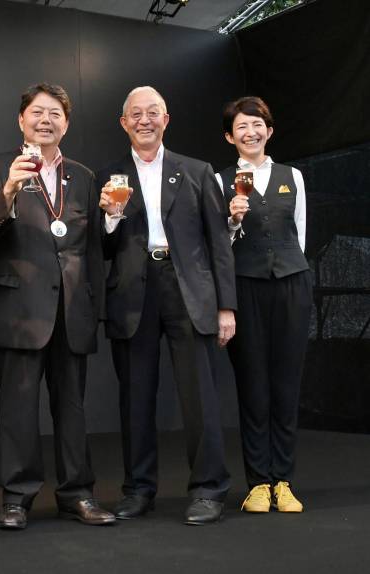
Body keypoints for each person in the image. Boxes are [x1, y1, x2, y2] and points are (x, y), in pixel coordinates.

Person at [0, 83, 113, 530]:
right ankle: (17, 498)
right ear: (21, 120)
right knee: (17, 408)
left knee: (71, 407)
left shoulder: (84, 176)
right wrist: (11, 188)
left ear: (66, 124)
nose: (46, 120)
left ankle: (78, 493)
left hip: (71, 310)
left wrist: (95, 307)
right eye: (37, 112)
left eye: (55, 114)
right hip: (17, 307)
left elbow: (92, 249)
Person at [97, 86, 237, 525]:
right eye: (135, 114)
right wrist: (111, 217)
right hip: (133, 292)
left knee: (200, 398)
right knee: (136, 397)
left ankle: (209, 489)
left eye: (152, 112)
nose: (144, 120)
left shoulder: (198, 171)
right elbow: (101, 246)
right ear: (123, 123)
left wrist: (226, 307)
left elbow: (219, 243)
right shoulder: (110, 175)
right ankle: (138, 489)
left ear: (166, 119)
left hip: (188, 289)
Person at [216, 96, 310, 514]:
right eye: (241, 127)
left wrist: (291, 270)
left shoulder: (293, 176)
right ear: (229, 136)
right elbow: (220, 246)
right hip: (246, 288)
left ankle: (283, 480)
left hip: (291, 285)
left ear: (268, 131)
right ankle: (258, 483)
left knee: (286, 386)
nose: (250, 132)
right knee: (253, 385)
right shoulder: (221, 181)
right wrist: (233, 220)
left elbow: (300, 233)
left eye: (257, 125)